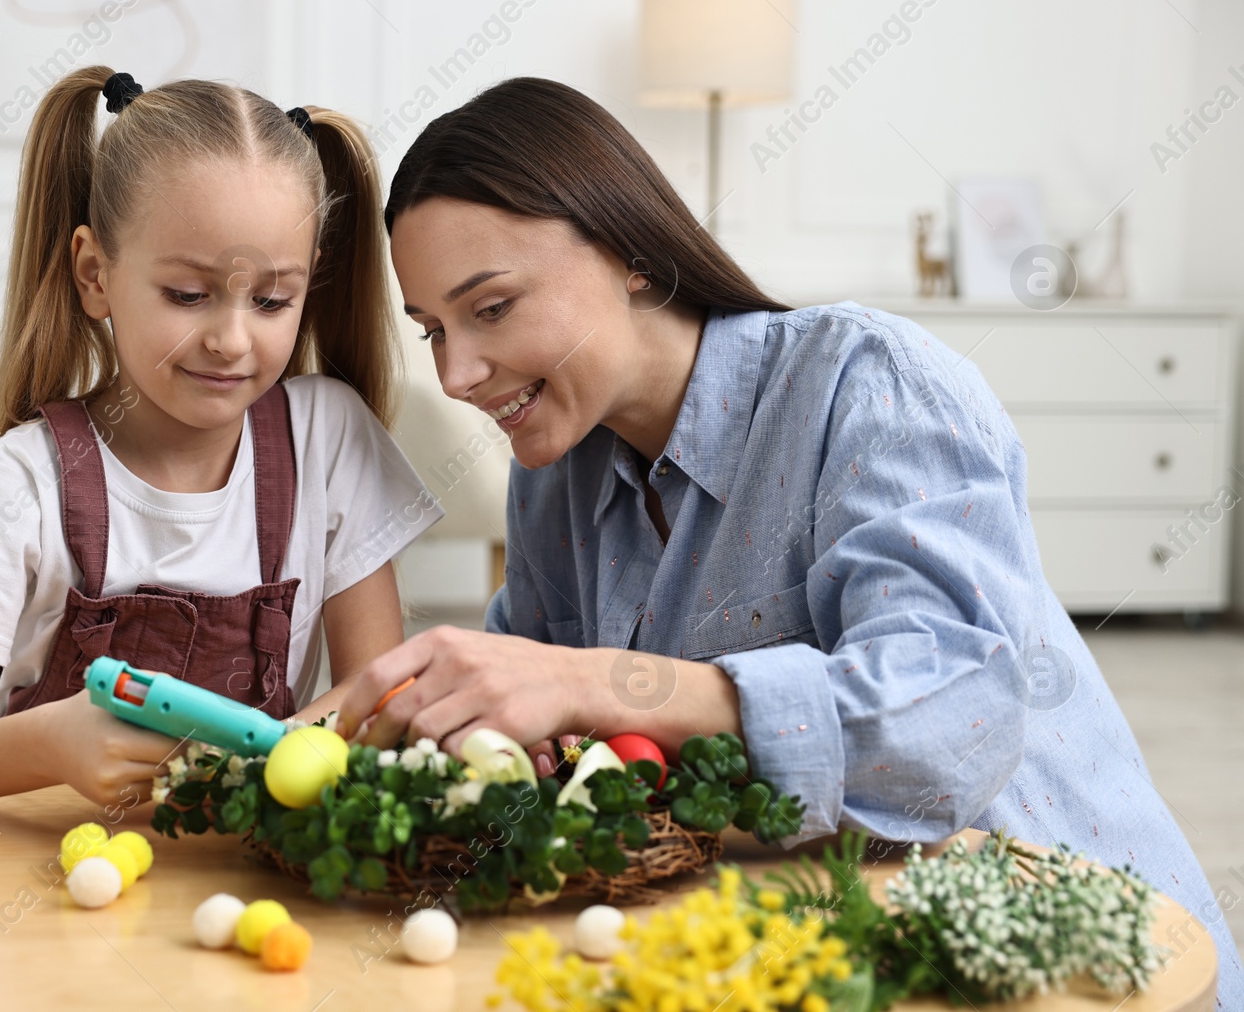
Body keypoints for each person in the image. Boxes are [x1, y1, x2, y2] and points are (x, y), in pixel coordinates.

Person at [334, 76, 1242, 1003]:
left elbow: (952, 724)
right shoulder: (554, 478)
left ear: (631, 253)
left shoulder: (867, 380)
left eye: (490, 309)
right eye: (433, 331)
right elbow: (552, 744)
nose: (455, 373)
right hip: (820, 950)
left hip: (1068, 956)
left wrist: (593, 682)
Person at [0, 68, 442, 829]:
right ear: (96, 275)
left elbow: (377, 700)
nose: (229, 339)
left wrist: (281, 750)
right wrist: (49, 746)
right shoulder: (25, 482)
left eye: (271, 300)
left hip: (246, 873)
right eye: (188, 295)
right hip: (48, 880)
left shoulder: (326, 437)